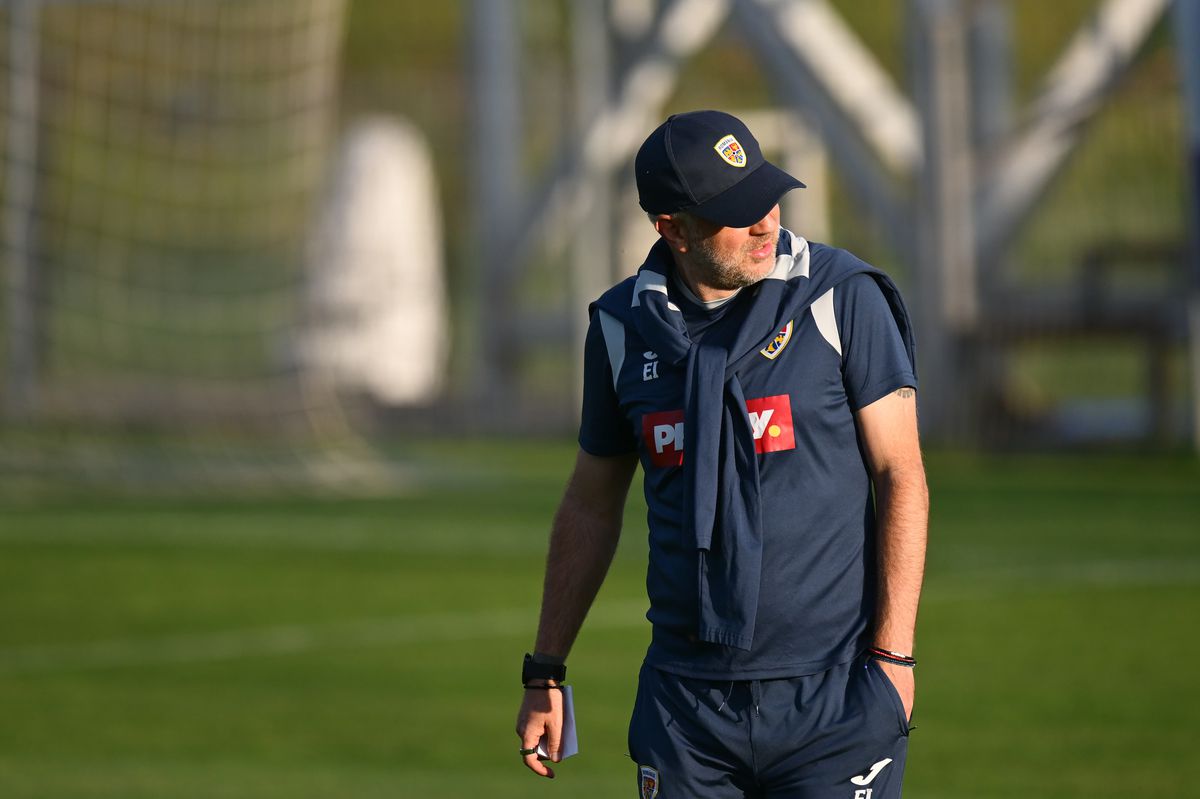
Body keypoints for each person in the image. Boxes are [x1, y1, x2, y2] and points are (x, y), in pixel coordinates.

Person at [515, 109, 928, 799]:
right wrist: (545, 669)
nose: (766, 219)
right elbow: (590, 503)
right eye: (737, 211)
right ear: (671, 228)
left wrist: (893, 660)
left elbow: (901, 474)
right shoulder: (620, 330)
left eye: (766, 194)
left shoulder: (842, 297)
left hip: (836, 698)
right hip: (687, 714)